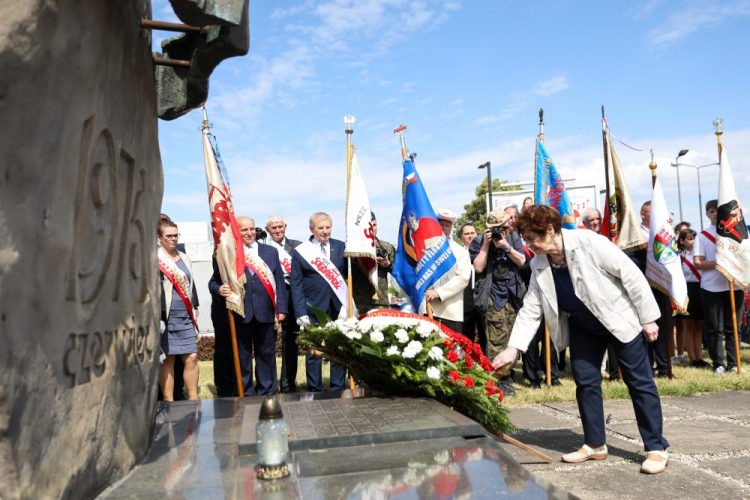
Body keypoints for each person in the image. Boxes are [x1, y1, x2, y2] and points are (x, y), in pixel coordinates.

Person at [492, 204, 669, 474]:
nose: (529, 245)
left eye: (532, 238)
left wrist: (647, 318)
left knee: (639, 381)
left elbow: (631, 276)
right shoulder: (540, 263)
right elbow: (531, 308)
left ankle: (656, 448)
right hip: (583, 325)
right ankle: (595, 444)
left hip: (619, 320)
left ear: (550, 230)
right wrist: (513, 348)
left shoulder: (590, 242)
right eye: (525, 239)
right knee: (585, 382)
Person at [209, 216, 287, 396]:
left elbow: (279, 282)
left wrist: (281, 309)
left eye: (252, 229)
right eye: (244, 230)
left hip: (266, 312)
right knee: (242, 356)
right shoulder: (227, 253)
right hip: (240, 312)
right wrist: (219, 289)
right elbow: (213, 282)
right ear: (236, 232)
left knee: (266, 355)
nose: (250, 233)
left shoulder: (270, 252)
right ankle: (244, 392)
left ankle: (267, 392)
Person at [470, 209, 527, 393]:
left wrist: (505, 246)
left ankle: (506, 378)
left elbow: (522, 261)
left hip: (513, 295)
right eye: (495, 228)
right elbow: (478, 268)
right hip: (493, 296)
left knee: (511, 338)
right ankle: (495, 380)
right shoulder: (479, 241)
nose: (501, 231)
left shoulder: (512, 238)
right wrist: (486, 245)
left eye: (502, 227)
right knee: (495, 339)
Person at [291, 212, 349, 392]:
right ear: (311, 229)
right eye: (321, 228)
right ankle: (314, 388)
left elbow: (349, 276)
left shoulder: (341, 247)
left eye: (328, 227)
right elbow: (296, 284)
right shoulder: (302, 251)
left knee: (338, 349)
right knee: (314, 351)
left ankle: (337, 387)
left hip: (337, 307)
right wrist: (301, 313)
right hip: (313, 308)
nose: (325, 232)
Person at [694, 199, 743, 375]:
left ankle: (734, 362)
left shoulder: (735, 233)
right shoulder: (702, 236)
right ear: (707, 214)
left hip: (734, 286)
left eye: (717, 211)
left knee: (733, 327)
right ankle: (718, 363)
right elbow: (698, 262)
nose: (715, 214)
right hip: (711, 287)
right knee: (715, 327)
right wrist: (719, 263)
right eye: (711, 211)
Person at [157, 220, 200, 401]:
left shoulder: (184, 257)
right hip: (165, 316)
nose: (173, 239)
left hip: (185, 316)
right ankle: (169, 402)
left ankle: (193, 399)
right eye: (169, 236)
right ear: (159, 238)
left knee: (192, 357)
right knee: (168, 360)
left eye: (176, 235)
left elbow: (190, 285)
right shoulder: (155, 258)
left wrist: (195, 305)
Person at [265, 213, 302, 393]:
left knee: (290, 342)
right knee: (268, 342)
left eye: (280, 226)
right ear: (267, 230)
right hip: (270, 296)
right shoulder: (262, 248)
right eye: (274, 227)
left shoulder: (299, 246)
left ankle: (288, 384)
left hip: (292, 296)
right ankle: (268, 385)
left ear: (285, 226)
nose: (278, 230)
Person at [424, 209, 471, 334]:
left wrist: (439, 293)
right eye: (441, 224)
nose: (444, 227)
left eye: (447, 225)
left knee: (452, 352)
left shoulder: (461, 251)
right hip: (426, 310)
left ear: (451, 227)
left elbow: (462, 278)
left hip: (450, 312)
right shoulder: (424, 248)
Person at [351, 211, 395, 313]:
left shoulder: (387, 247)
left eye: (374, 225)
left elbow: (398, 272)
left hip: (381, 301)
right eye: (368, 225)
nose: (372, 228)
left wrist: (387, 265)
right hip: (359, 302)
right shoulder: (353, 247)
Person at [677, 228, 708, 368]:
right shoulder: (679, 256)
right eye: (690, 238)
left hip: (700, 289)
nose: (693, 241)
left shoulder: (700, 254)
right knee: (688, 326)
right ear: (682, 241)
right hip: (687, 291)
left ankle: (699, 358)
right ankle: (692, 358)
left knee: (699, 326)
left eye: (695, 238)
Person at [460, 223, 486, 351]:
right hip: (466, 299)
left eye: (472, 233)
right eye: (466, 234)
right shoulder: (458, 253)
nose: (470, 236)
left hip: (482, 297)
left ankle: (486, 365)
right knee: (467, 335)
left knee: (484, 334)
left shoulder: (485, 251)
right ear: (461, 237)